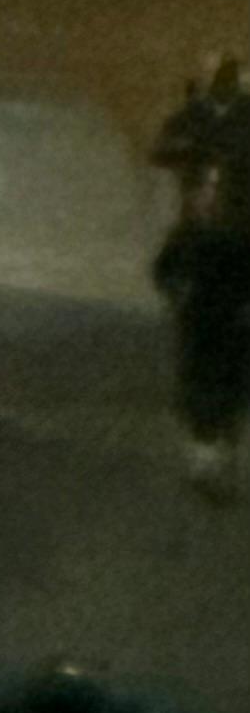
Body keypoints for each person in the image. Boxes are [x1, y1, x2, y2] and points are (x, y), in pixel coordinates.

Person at [152, 161, 250, 499]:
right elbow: (164, 268)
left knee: (231, 389)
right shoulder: (187, 233)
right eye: (207, 187)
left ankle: (218, 455)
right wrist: (177, 289)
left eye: (216, 188)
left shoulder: (240, 234)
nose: (210, 195)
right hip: (198, 322)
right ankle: (205, 458)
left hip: (235, 324)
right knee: (198, 385)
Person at [150, 54, 250, 234]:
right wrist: (195, 153)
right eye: (223, 79)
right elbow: (161, 152)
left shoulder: (243, 113)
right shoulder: (193, 114)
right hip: (201, 198)